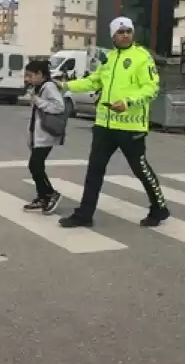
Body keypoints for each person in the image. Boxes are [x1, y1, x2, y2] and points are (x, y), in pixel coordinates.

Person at [57, 16, 169, 228]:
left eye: (128, 31)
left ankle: (159, 208)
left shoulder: (142, 57)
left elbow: (151, 88)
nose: (125, 34)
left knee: (140, 169)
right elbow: (93, 81)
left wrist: (128, 102)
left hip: (130, 125)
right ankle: (84, 214)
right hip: (104, 125)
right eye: (120, 32)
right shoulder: (108, 58)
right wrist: (65, 86)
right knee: (94, 170)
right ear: (113, 36)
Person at [23, 59, 65, 215]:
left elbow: (59, 106)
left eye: (29, 75)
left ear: (40, 74)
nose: (27, 79)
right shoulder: (38, 87)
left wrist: (38, 101)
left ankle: (50, 194)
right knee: (35, 166)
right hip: (38, 136)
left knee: (35, 165)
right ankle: (42, 196)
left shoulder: (49, 87)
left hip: (46, 135)